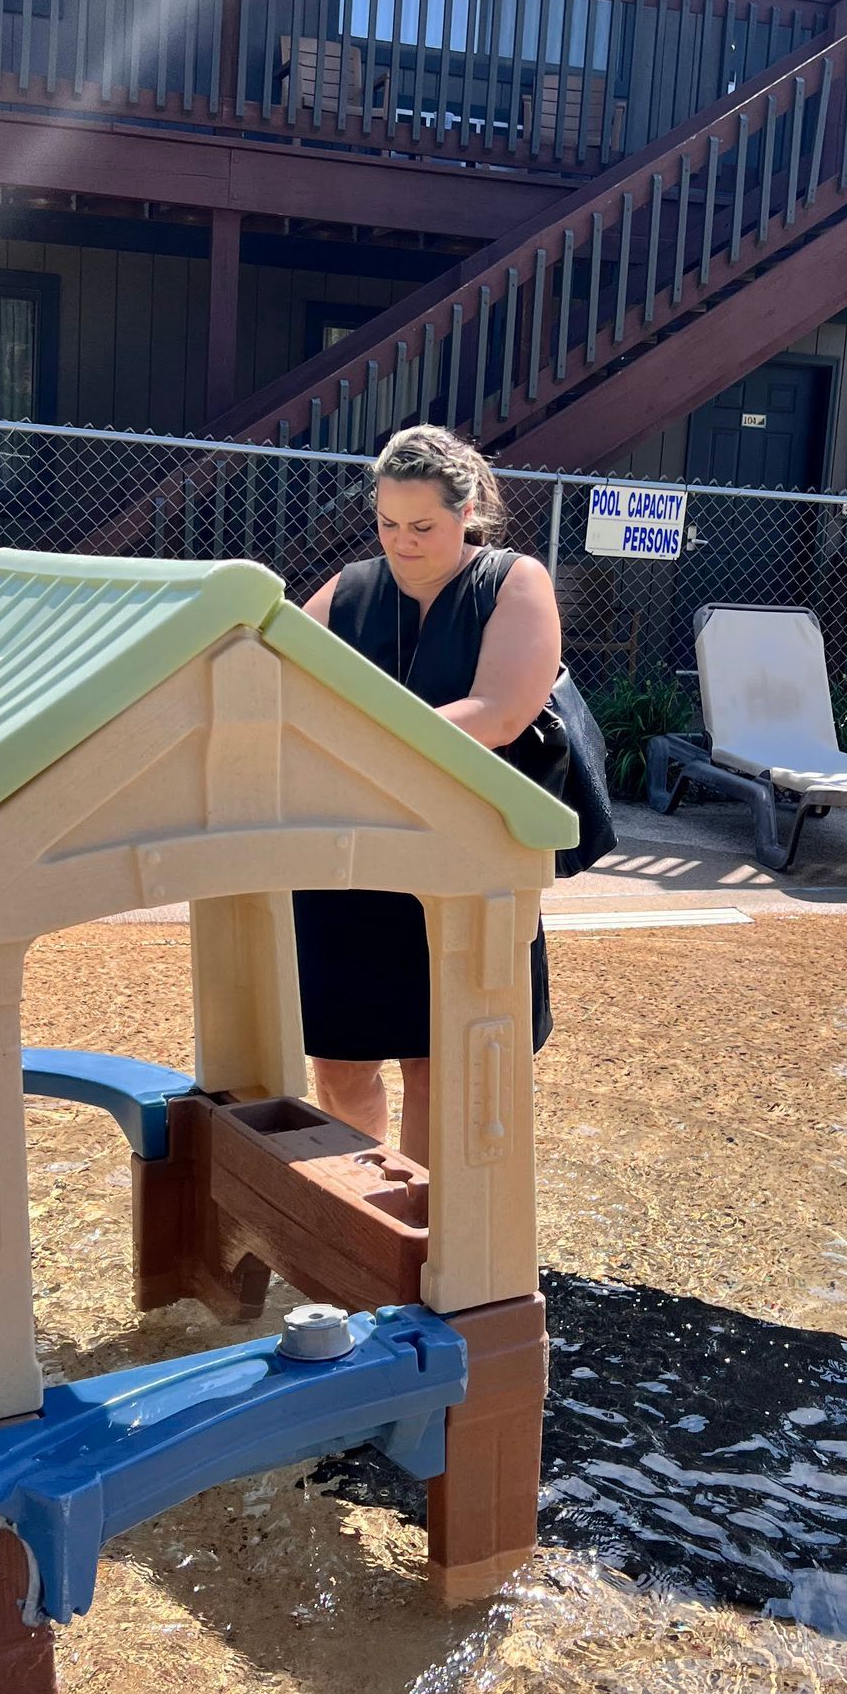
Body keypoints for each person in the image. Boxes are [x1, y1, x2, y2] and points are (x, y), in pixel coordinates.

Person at [292, 423, 561, 1165]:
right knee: (340, 1063)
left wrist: (367, 747)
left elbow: (502, 712)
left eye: (422, 526)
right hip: (347, 861)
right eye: (385, 522)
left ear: (467, 511)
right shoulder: (347, 590)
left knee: (441, 1064)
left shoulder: (513, 582)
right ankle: (358, 1210)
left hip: (463, 857)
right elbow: (285, 688)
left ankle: (426, 1232)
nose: (401, 542)